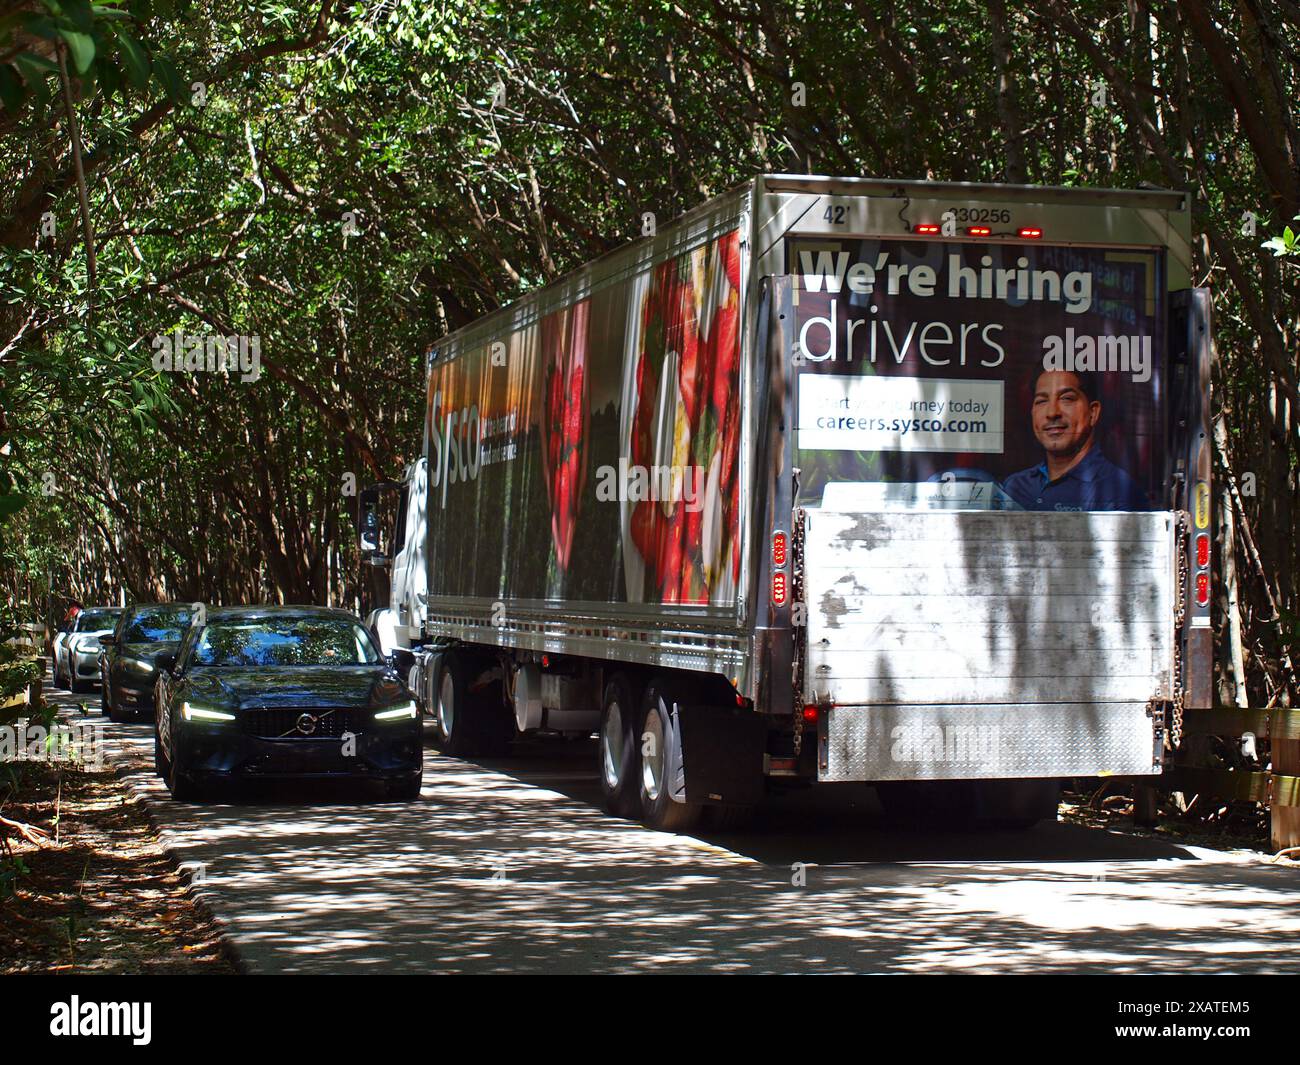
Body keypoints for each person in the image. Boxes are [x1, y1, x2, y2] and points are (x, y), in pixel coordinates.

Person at [1002, 368, 1149, 511]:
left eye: (1067, 398)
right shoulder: (1014, 487)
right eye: (1041, 401)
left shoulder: (1116, 490)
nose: (1052, 412)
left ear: (1093, 413)